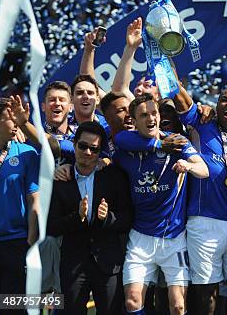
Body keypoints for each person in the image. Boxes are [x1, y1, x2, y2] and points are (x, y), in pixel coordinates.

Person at [114, 94, 210, 315]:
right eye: (144, 115)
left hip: (173, 238)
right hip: (140, 238)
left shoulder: (177, 142)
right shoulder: (127, 147)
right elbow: (118, 140)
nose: (151, 118)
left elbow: (203, 171)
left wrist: (187, 165)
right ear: (134, 120)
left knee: (177, 305)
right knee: (132, 301)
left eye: (154, 113)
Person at [47, 121, 133, 314]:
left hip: (108, 263)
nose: (87, 152)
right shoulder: (61, 180)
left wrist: (107, 218)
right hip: (73, 264)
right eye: (83, 146)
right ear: (74, 145)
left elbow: (127, 218)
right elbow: (51, 226)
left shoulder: (114, 177)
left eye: (94, 149)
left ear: (100, 151)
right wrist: (77, 218)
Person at [0, 97, 40, 315]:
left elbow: (34, 199)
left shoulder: (26, 153)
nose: (16, 123)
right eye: (11, 118)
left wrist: (30, 240)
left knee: (11, 307)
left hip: (15, 243)